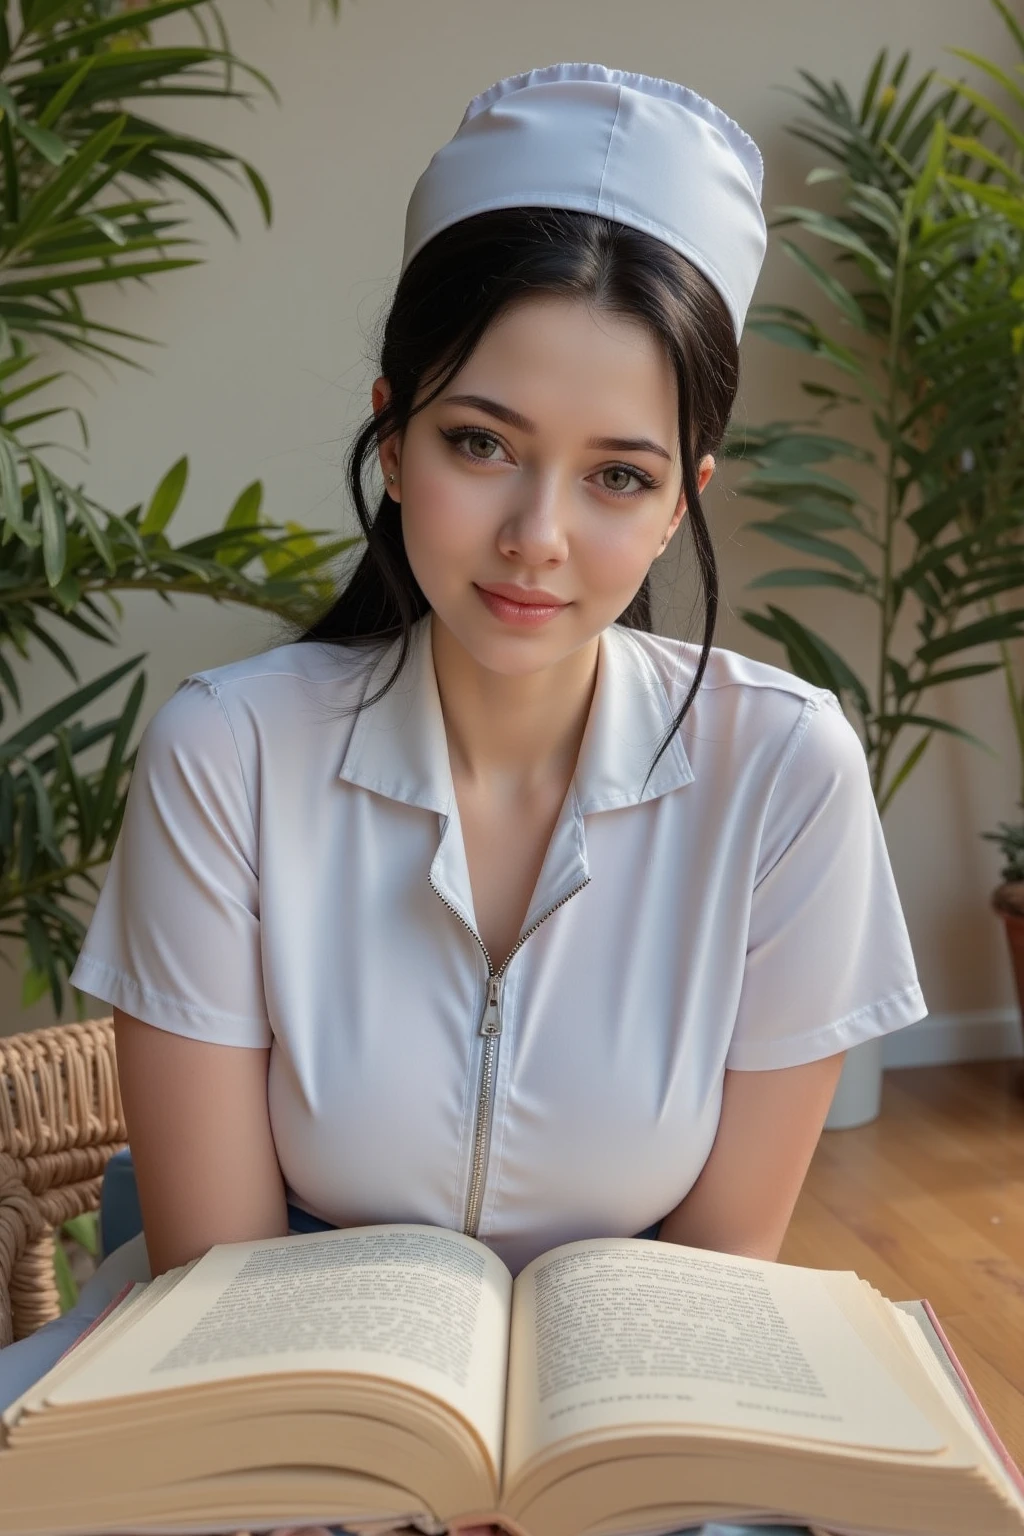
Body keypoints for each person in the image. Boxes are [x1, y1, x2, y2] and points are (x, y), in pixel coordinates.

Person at [0, 61, 928, 1536]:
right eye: (479, 443)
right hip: (261, 1403)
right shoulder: (225, 756)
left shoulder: (787, 774)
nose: (536, 539)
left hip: (633, 1426)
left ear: (684, 495)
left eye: (616, 477)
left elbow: (718, 1264)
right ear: (391, 428)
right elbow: (218, 1272)